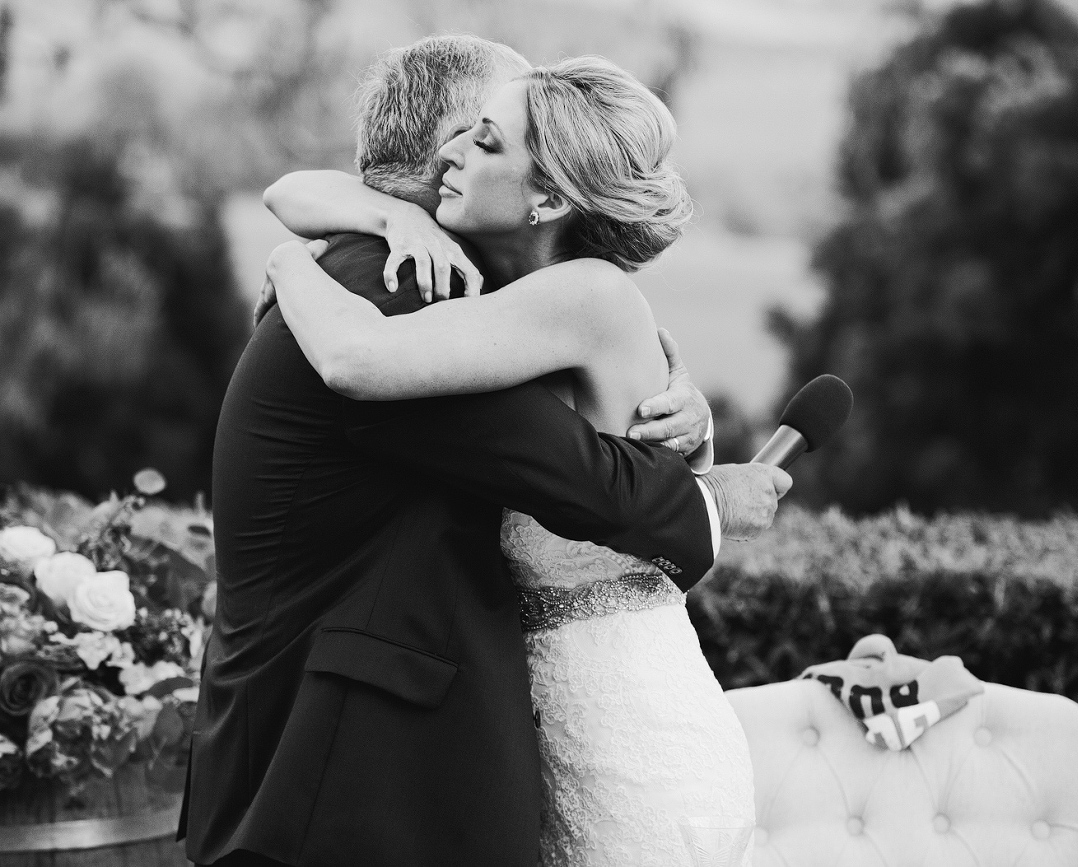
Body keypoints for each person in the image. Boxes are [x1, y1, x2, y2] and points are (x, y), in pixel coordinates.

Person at [184, 36, 789, 867]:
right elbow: (593, 483)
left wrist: (687, 417)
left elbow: (576, 459)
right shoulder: (403, 280)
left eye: (494, 137)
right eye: (476, 129)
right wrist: (710, 497)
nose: (465, 151)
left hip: (516, 745)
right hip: (343, 780)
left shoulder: (454, 293)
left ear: (548, 195)